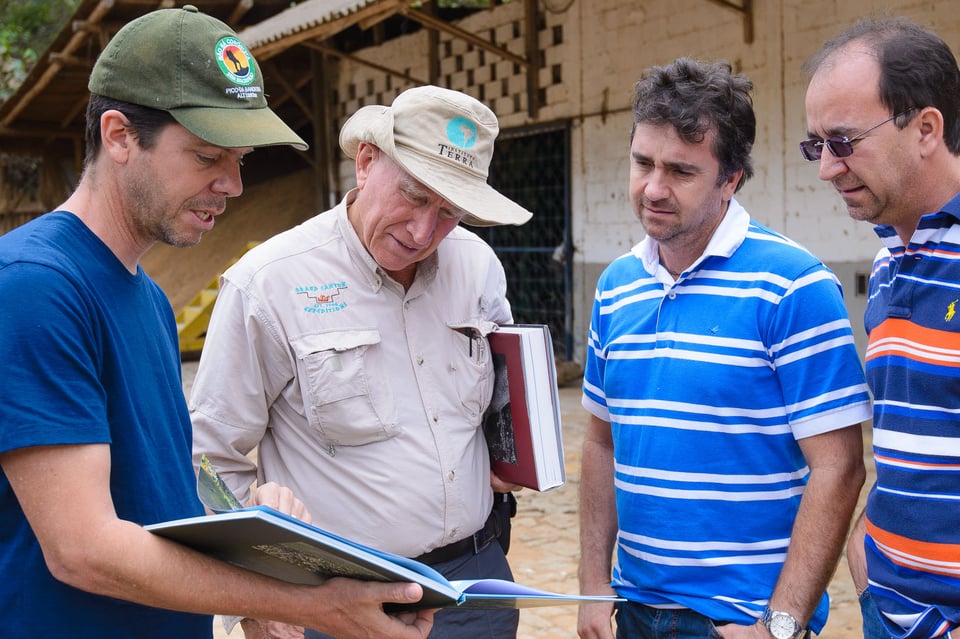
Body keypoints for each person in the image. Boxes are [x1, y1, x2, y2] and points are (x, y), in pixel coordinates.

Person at [0, 6, 435, 639]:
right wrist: (310, 603)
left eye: (239, 158)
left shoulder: (143, 295)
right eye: (206, 157)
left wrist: (250, 525)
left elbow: (154, 493)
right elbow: (84, 548)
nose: (232, 184)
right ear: (119, 136)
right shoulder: (37, 286)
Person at [189, 84, 533, 639]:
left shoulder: (478, 266)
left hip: (474, 584)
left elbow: (499, 396)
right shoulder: (270, 282)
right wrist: (259, 593)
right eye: (415, 196)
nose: (424, 232)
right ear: (366, 163)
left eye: (449, 212)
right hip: (338, 599)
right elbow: (207, 459)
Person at [576, 57, 873, 639]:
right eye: (643, 163)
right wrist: (592, 586)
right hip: (631, 610)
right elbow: (599, 443)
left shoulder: (794, 286)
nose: (653, 189)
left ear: (730, 179)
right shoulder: (615, 287)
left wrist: (778, 624)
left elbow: (838, 468)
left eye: (681, 172)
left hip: (737, 621)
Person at [802, 16, 960, 639]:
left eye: (842, 141)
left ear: (926, 128)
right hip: (889, 610)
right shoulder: (890, 260)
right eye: (815, 146)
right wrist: (867, 560)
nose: (826, 168)